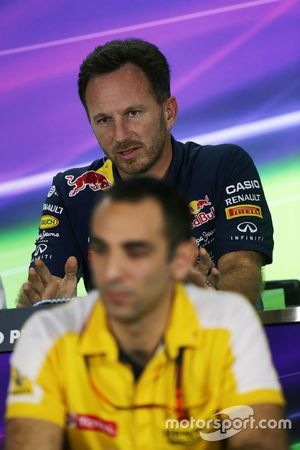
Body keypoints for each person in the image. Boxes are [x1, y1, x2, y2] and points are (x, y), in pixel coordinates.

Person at [6, 178, 286, 450]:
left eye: (135, 251)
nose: (113, 271)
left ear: (181, 259)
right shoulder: (47, 335)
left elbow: (258, 439)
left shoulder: (229, 323)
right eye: (102, 250)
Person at [18, 38, 273, 308]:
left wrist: (213, 302)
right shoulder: (71, 191)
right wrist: (39, 307)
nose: (120, 136)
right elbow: (42, 291)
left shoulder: (224, 166)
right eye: (104, 120)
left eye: (133, 113)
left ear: (169, 111)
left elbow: (242, 269)